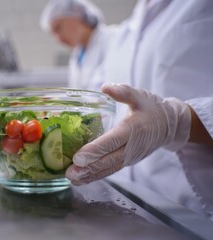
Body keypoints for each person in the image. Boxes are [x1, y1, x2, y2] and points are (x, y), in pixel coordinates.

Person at [66, 0, 213, 218]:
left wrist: (177, 121)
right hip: (137, 207)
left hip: (196, 212)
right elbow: (95, 96)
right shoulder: (124, 34)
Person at [40, 0, 114, 90]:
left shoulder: (113, 39)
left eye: (58, 28)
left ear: (75, 13)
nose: (58, 39)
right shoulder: (77, 56)